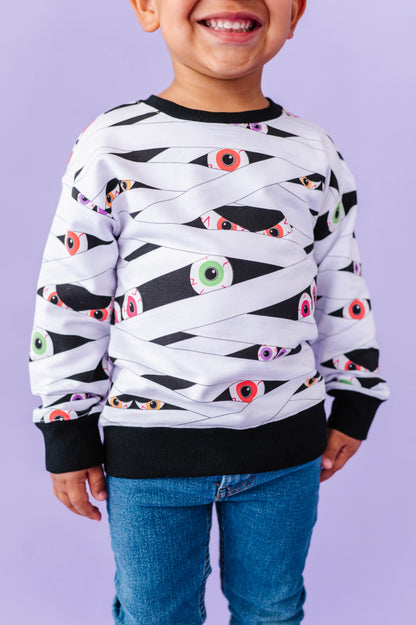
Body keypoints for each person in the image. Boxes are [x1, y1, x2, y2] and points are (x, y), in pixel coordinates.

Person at [28, 1, 390, 623]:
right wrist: (66, 426)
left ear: (295, 12)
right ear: (147, 7)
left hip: (286, 447)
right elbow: (71, 293)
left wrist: (356, 395)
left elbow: (340, 279)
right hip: (149, 452)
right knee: (155, 615)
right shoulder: (111, 145)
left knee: (274, 609)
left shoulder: (313, 151)